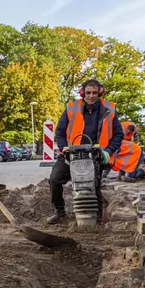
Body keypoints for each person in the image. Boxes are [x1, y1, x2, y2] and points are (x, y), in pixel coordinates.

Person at [47, 79, 124, 224]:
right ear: (82, 93)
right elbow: (60, 131)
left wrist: (108, 151)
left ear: (100, 93)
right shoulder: (71, 108)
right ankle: (60, 212)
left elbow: (118, 134)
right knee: (54, 179)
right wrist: (64, 148)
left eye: (95, 93)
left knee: (94, 185)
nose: (91, 96)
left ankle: (98, 217)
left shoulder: (109, 109)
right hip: (71, 153)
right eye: (88, 92)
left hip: (95, 154)